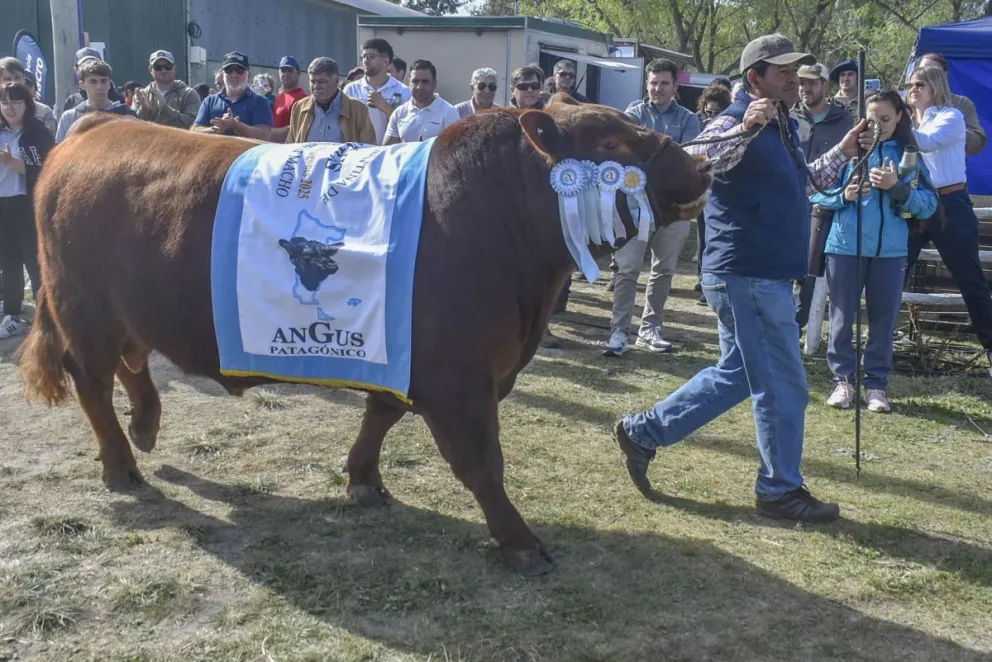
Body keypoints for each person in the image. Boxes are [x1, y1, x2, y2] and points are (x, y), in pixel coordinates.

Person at [615, 34, 866, 522]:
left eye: (798, 73)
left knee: (737, 376)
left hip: (759, 272)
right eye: (784, 73)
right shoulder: (736, 120)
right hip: (746, 272)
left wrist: (844, 148)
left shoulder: (784, 127)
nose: (795, 80)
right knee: (783, 384)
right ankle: (778, 489)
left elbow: (809, 182)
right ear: (755, 79)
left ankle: (643, 432)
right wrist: (743, 126)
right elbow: (696, 161)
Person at [812, 90, 938, 412]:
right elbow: (817, 194)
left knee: (883, 322)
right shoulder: (851, 150)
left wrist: (897, 188)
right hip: (844, 247)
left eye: (885, 119)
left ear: (900, 117)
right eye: (872, 120)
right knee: (842, 317)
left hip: (891, 251)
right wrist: (845, 196)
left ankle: (876, 386)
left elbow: (928, 205)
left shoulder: (909, 155)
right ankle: (843, 382)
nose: (878, 127)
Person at [603, 59, 701, 356]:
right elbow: (625, 157)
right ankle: (619, 332)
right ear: (647, 83)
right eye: (653, 82)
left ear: (675, 86)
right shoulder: (632, 115)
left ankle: (650, 329)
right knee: (627, 268)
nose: (658, 88)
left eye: (664, 83)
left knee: (664, 269)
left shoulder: (689, 120)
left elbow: (688, 163)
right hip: (634, 206)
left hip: (674, 207)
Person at [901, 66, 992, 373]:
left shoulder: (951, 116)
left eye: (920, 84)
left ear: (935, 87)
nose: (913, 89)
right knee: (894, 270)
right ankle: (879, 346)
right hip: (916, 202)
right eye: (910, 84)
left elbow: (925, 142)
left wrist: (893, 121)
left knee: (970, 279)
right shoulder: (911, 120)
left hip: (949, 203)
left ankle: (991, 347)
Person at [791, 62, 855, 330]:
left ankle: (801, 324)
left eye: (812, 83)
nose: (805, 88)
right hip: (790, 200)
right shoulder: (788, 116)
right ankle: (788, 325)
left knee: (813, 269)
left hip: (829, 206)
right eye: (802, 83)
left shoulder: (846, 120)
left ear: (825, 86)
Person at [0, 82, 54, 338]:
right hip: (2, 205)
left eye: (15, 102)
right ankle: (12, 314)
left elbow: (47, 171)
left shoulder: (37, 132)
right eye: (4, 102)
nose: (9, 108)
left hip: (28, 204)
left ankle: (48, 314)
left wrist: (12, 163)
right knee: (8, 262)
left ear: (27, 104)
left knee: (36, 260)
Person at [692, 83, 733, 304]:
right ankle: (703, 280)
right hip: (702, 189)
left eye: (718, 113)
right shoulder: (698, 125)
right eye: (709, 112)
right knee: (702, 238)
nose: (712, 116)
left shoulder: (731, 127)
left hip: (722, 191)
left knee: (714, 236)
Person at [286, 57, 376, 145]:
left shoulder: (359, 110)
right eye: (312, 81)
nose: (316, 86)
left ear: (336, 81)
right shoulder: (299, 108)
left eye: (322, 82)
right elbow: (291, 147)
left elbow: (368, 151)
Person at [915, 53, 987, 157]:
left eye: (934, 73)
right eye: (922, 70)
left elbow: (978, 143)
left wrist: (954, 128)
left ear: (945, 76)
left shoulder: (961, 103)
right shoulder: (907, 102)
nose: (926, 76)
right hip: (909, 168)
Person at [343, 39, 411, 145]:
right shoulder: (351, 89)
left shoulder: (403, 91)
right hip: (358, 154)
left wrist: (385, 107)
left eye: (371, 57)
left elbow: (408, 127)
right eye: (364, 57)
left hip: (389, 154)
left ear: (386, 60)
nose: (365, 61)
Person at [192, 52, 272, 140]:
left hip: (246, 153)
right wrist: (213, 130)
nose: (234, 75)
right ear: (223, 75)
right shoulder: (209, 101)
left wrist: (236, 125)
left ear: (248, 74)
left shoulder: (260, 102)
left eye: (239, 70)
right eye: (229, 70)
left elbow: (265, 135)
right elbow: (194, 130)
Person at [55, 59, 136, 143]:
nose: (99, 87)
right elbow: (60, 152)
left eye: (103, 81)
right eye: (93, 82)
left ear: (109, 84)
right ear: (82, 85)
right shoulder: (70, 117)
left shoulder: (126, 115)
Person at [384, 60, 459, 145]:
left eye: (425, 82)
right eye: (415, 81)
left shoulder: (449, 113)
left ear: (434, 84)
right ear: (409, 83)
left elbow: (455, 150)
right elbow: (387, 149)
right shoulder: (399, 113)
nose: (419, 87)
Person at [132, 50, 201, 130]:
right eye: (158, 67)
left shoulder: (189, 94)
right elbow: (133, 125)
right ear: (150, 69)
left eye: (167, 66)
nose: (163, 70)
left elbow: (194, 124)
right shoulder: (142, 95)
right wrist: (144, 109)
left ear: (174, 67)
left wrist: (166, 109)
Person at [0, 58, 56, 135]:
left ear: (24, 79)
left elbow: (50, 145)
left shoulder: (43, 112)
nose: (13, 82)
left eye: (17, 78)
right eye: (8, 79)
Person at [62, 47, 124, 113]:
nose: (90, 68)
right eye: (84, 65)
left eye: (94, 64)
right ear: (76, 70)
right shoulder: (72, 101)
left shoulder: (118, 100)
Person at [271, 56, 307, 143]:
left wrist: (264, 132)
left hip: (287, 150)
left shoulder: (303, 98)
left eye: (290, 71)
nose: (286, 74)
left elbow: (296, 129)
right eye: (283, 71)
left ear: (298, 73)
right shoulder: (279, 96)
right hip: (271, 147)